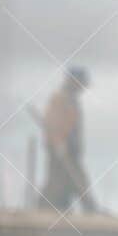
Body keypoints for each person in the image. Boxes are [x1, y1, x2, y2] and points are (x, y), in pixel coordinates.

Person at [38, 66, 98, 214]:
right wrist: (58, 144)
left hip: (71, 152)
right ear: (73, 81)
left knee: (70, 183)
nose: (83, 87)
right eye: (81, 83)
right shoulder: (60, 99)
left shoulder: (71, 100)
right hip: (61, 151)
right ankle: (89, 209)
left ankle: (83, 208)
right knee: (64, 183)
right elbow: (53, 124)